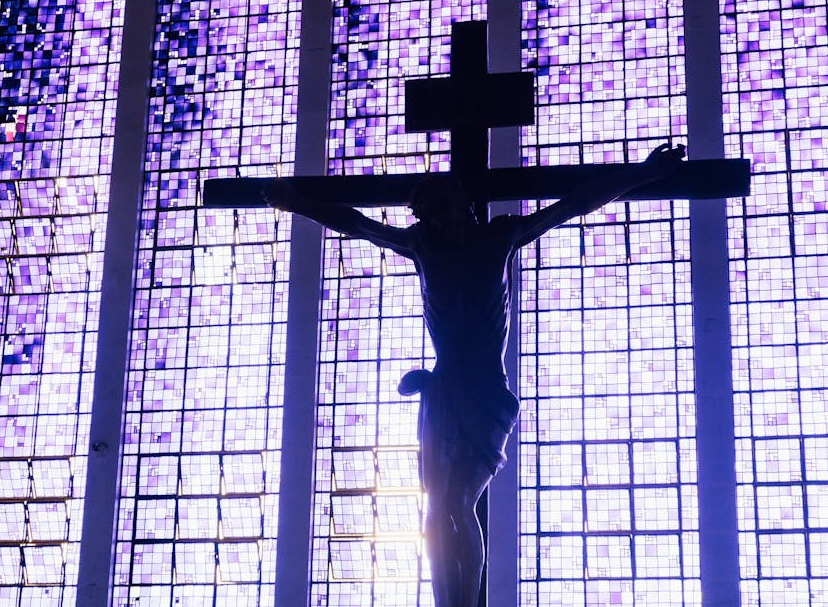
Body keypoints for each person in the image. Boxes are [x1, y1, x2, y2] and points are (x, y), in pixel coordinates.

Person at [263, 143, 686, 606]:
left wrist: (645, 174)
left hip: (486, 393)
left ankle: (466, 602)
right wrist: (296, 203)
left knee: (459, 501)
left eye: (439, 208)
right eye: (425, 214)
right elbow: (358, 225)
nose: (433, 220)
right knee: (435, 507)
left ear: (461, 202)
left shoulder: (499, 236)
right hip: (442, 390)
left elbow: (576, 203)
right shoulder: (422, 245)